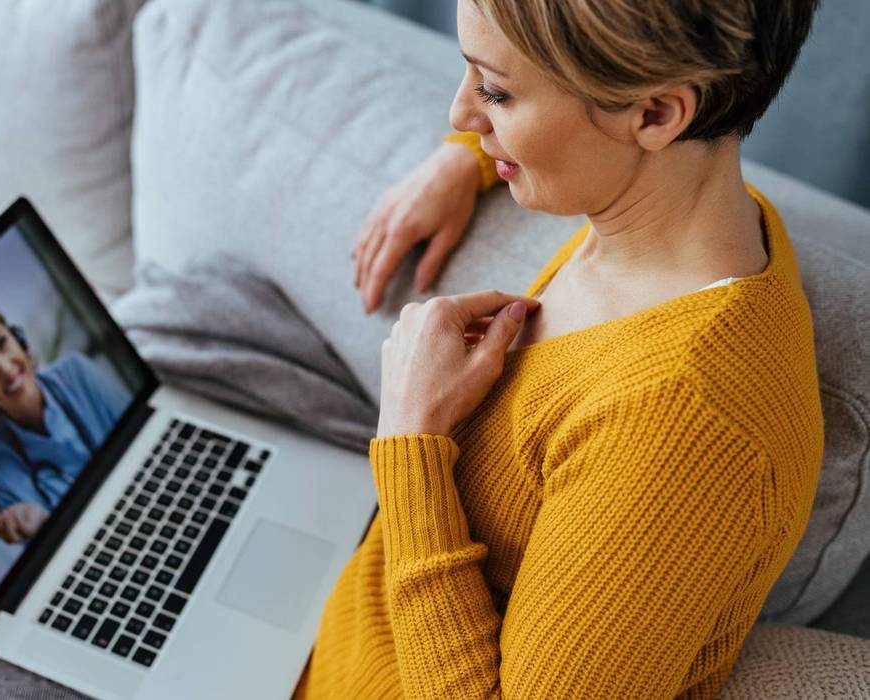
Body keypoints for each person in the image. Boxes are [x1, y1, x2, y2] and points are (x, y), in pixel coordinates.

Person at [307, 0, 824, 698]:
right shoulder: (686, 207)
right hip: (320, 639)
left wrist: (410, 437)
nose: (460, 114)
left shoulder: (682, 428)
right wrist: (467, 161)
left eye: (493, 90)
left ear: (654, 116)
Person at [0, 295, 131, 544]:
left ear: (19, 340)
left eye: (1, 343)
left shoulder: (78, 373)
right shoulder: (0, 472)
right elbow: (62, 556)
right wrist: (43, 523)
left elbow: (145, 439)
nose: (6, 370)